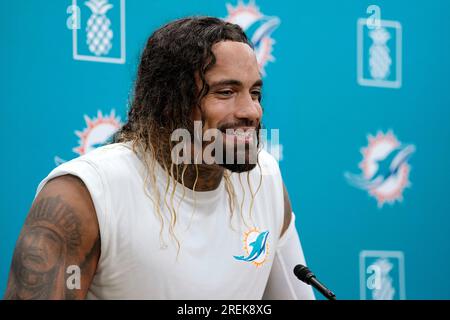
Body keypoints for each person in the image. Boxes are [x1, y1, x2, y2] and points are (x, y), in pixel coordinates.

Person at [4, 17, 314, 300]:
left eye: (255, 93)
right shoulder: (86, 192)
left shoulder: (265, 179)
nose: (251, 111)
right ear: (169, 101)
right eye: (225, 92)